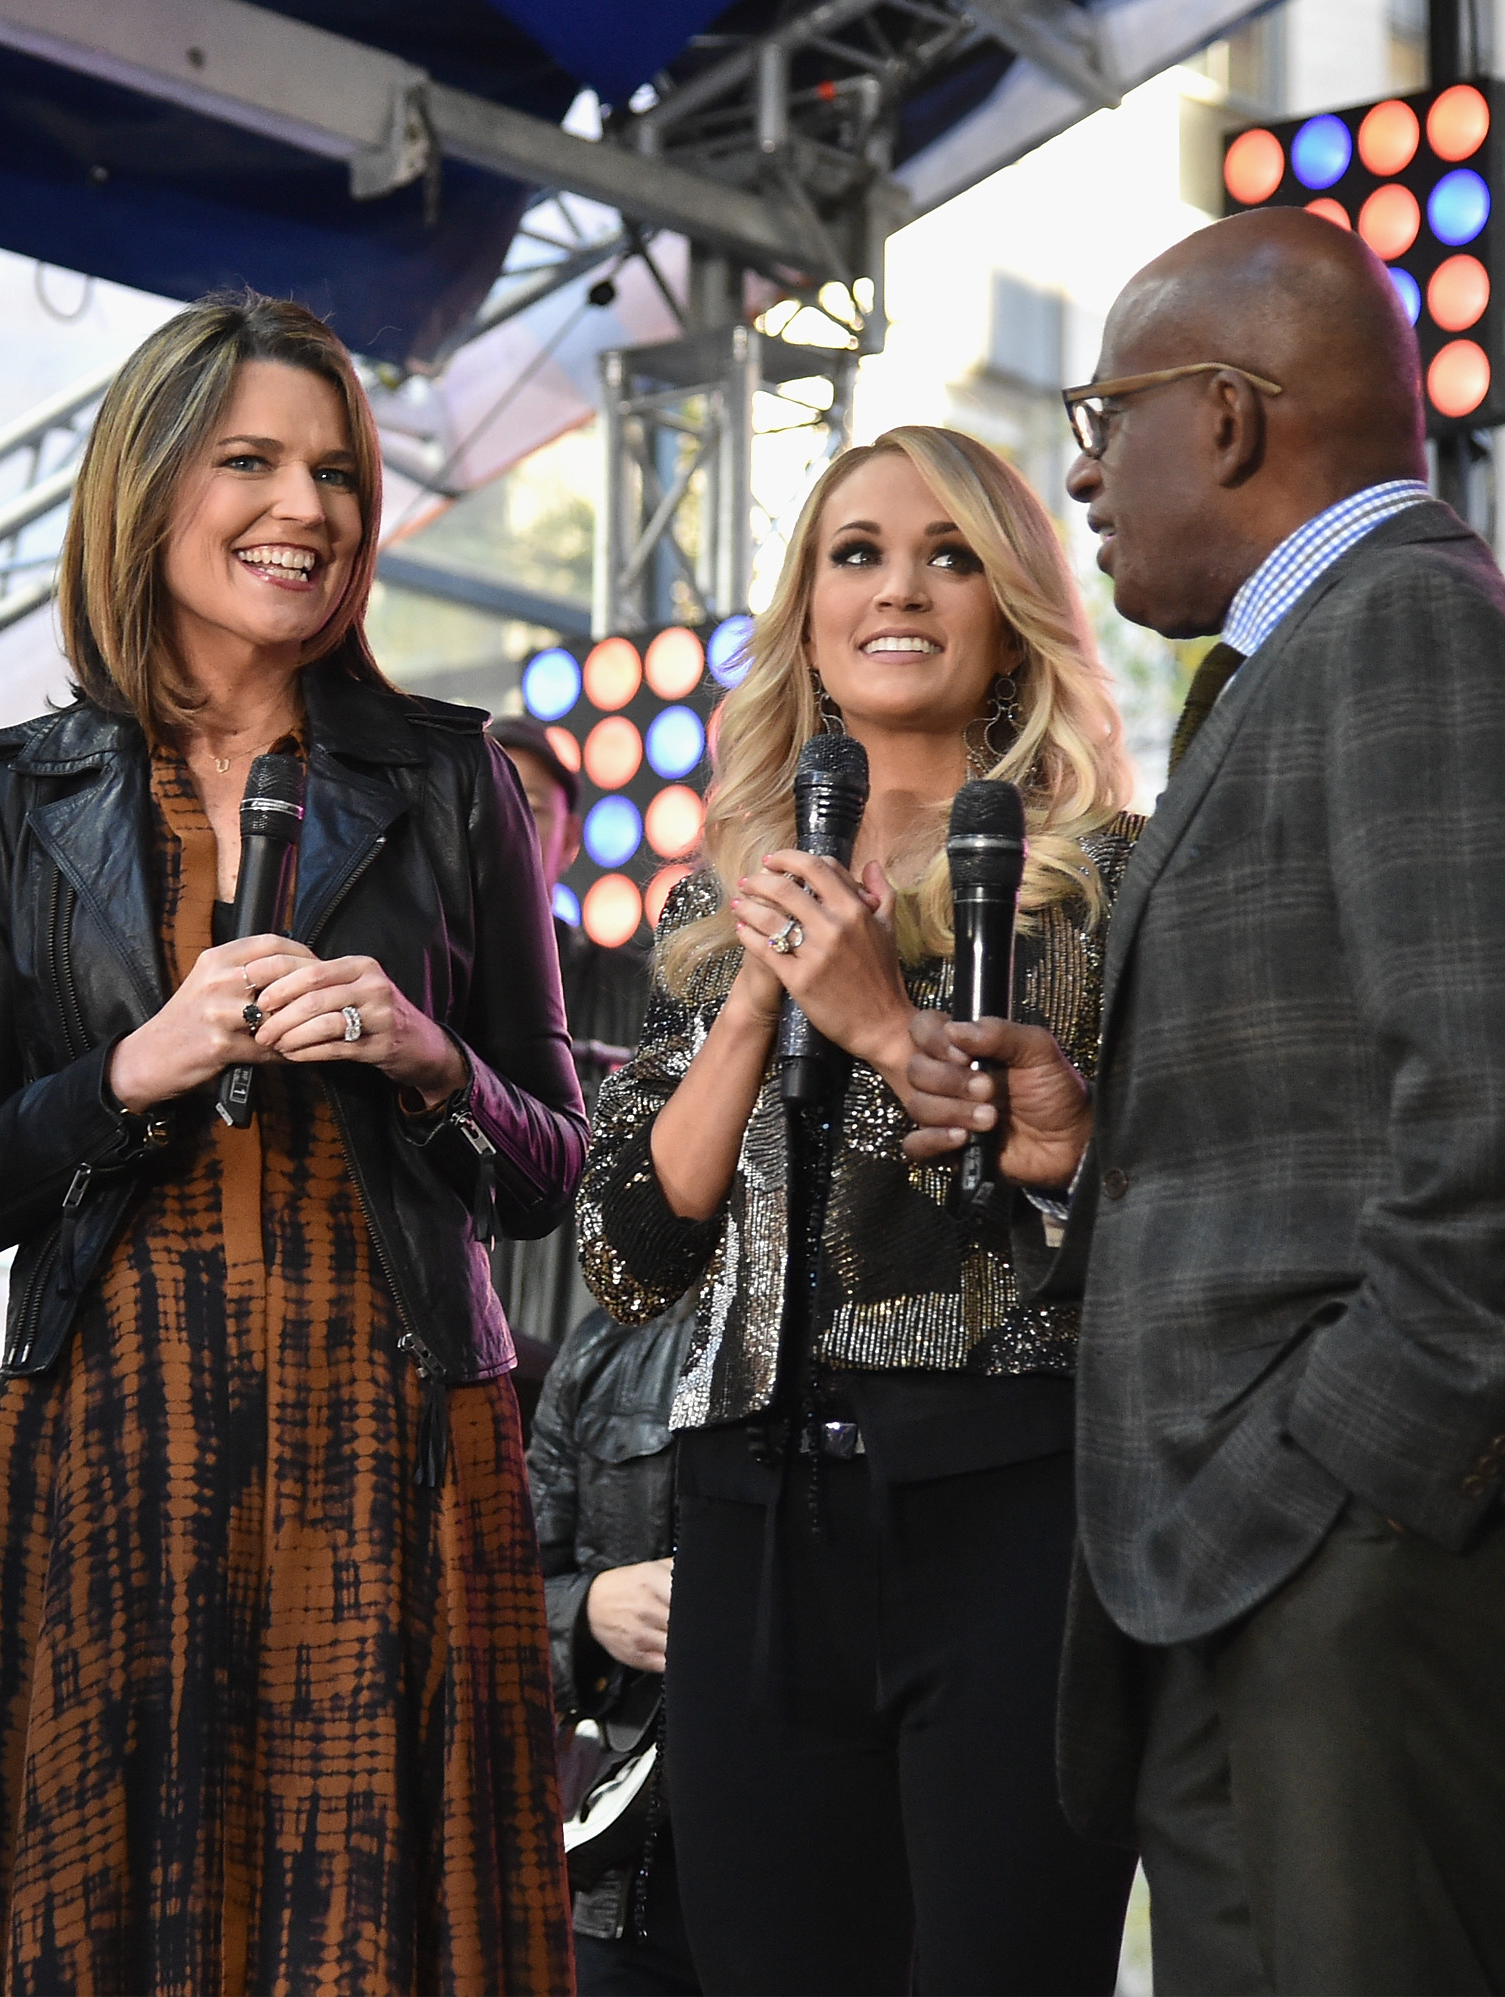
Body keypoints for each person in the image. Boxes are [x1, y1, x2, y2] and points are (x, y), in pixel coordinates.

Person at [896, 207, 1505, 1992]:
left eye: (1107, 418)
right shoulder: (1318, 655)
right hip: (1274, 1567)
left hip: (1382, 1571)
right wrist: (1088, 1143)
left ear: (1229, 417)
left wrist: (1359, 1500)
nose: (1082, 477)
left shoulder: (1406, 631)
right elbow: (1346, 1129)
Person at [0, 292, 586, 1996]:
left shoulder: (447, 779)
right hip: (119, 1431)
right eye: (251, 460)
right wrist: (132, 1067)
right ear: (147, 487)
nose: (310, 508)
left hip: (391, 1428)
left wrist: (429, 1061)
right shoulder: (20, 798)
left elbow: (555, 1160)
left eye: (336, 470)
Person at [577, 425, 1143, 1994]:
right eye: (859, 553)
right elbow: (627, 1255)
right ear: (810, 617)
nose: (902, 587)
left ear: (1013, 607)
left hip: (1015, 1507)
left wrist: (891, 1024)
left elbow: (1156, 1210)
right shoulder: (717, 903)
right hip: (751, 1525)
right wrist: (766, 995)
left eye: (951, 552)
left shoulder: (1107, 881)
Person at [527, 1295, 701, 1997]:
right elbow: (494, 1601)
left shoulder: (877, 1343)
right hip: (626, 1867)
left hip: (819, 1853)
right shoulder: (605, 1348)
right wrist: (589, 1607)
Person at [487, 712, 653, 1416]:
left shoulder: (642, 994)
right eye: (474, 800)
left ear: (570, 837)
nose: (497, 824)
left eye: (523, 806)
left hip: (594, 1399)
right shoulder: (393, 987)